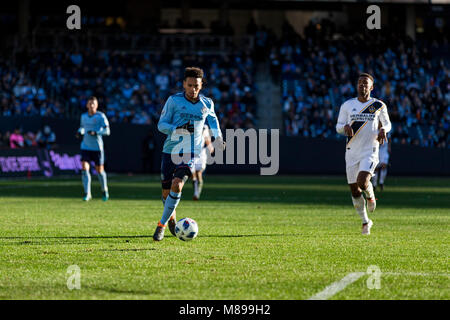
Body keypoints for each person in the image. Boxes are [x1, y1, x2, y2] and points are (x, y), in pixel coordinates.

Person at [153, 67, 225, 241]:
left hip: (191, 152)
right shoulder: (173, 101)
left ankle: (160, 227)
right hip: (170, 150)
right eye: (190, 85)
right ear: (184, 84)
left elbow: (213, 120)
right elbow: (161, 125)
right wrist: (176, 129)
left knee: (177, 184)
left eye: (197, 86)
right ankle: (170, 218)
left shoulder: (207, 103)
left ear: (202, 85)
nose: (193, 89)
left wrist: (218, 138)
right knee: (166, 193)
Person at [336, 73, 391, 235]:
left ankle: (371, 196)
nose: (362, 86)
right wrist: (344, 128)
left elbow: (388, 125)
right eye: (360, 83)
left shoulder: (378, 105)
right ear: (356, 86)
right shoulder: (347, 105)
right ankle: (366, 221)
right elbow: (338, 126)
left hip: (370, 150)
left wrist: (382, 129)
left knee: (362, 181)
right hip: (352, 151)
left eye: (366, 83)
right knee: (354, 190)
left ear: (371, 87)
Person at [76, 96, 110, 201]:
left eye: (93, 104)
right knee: (84, 169)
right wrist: (80, 131)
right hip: (85, 146)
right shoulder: (84, 116)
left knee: (99, 171)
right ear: (86, 105)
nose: (91, 106)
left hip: (97, 148)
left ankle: (104, 189)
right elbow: (82, 127)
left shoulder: (101, 116)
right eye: (89, 103)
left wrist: (96, 132)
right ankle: (87, 193)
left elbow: (107, 131)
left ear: (97, 105)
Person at [191, 125, 214, 201]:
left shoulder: (205, 127)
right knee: (192, 173)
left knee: (198, 173)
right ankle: (196, 192)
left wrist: (210, 147)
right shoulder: (191, 122)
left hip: (201, 154)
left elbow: (207, 140)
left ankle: (197, 193)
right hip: (191, 153)